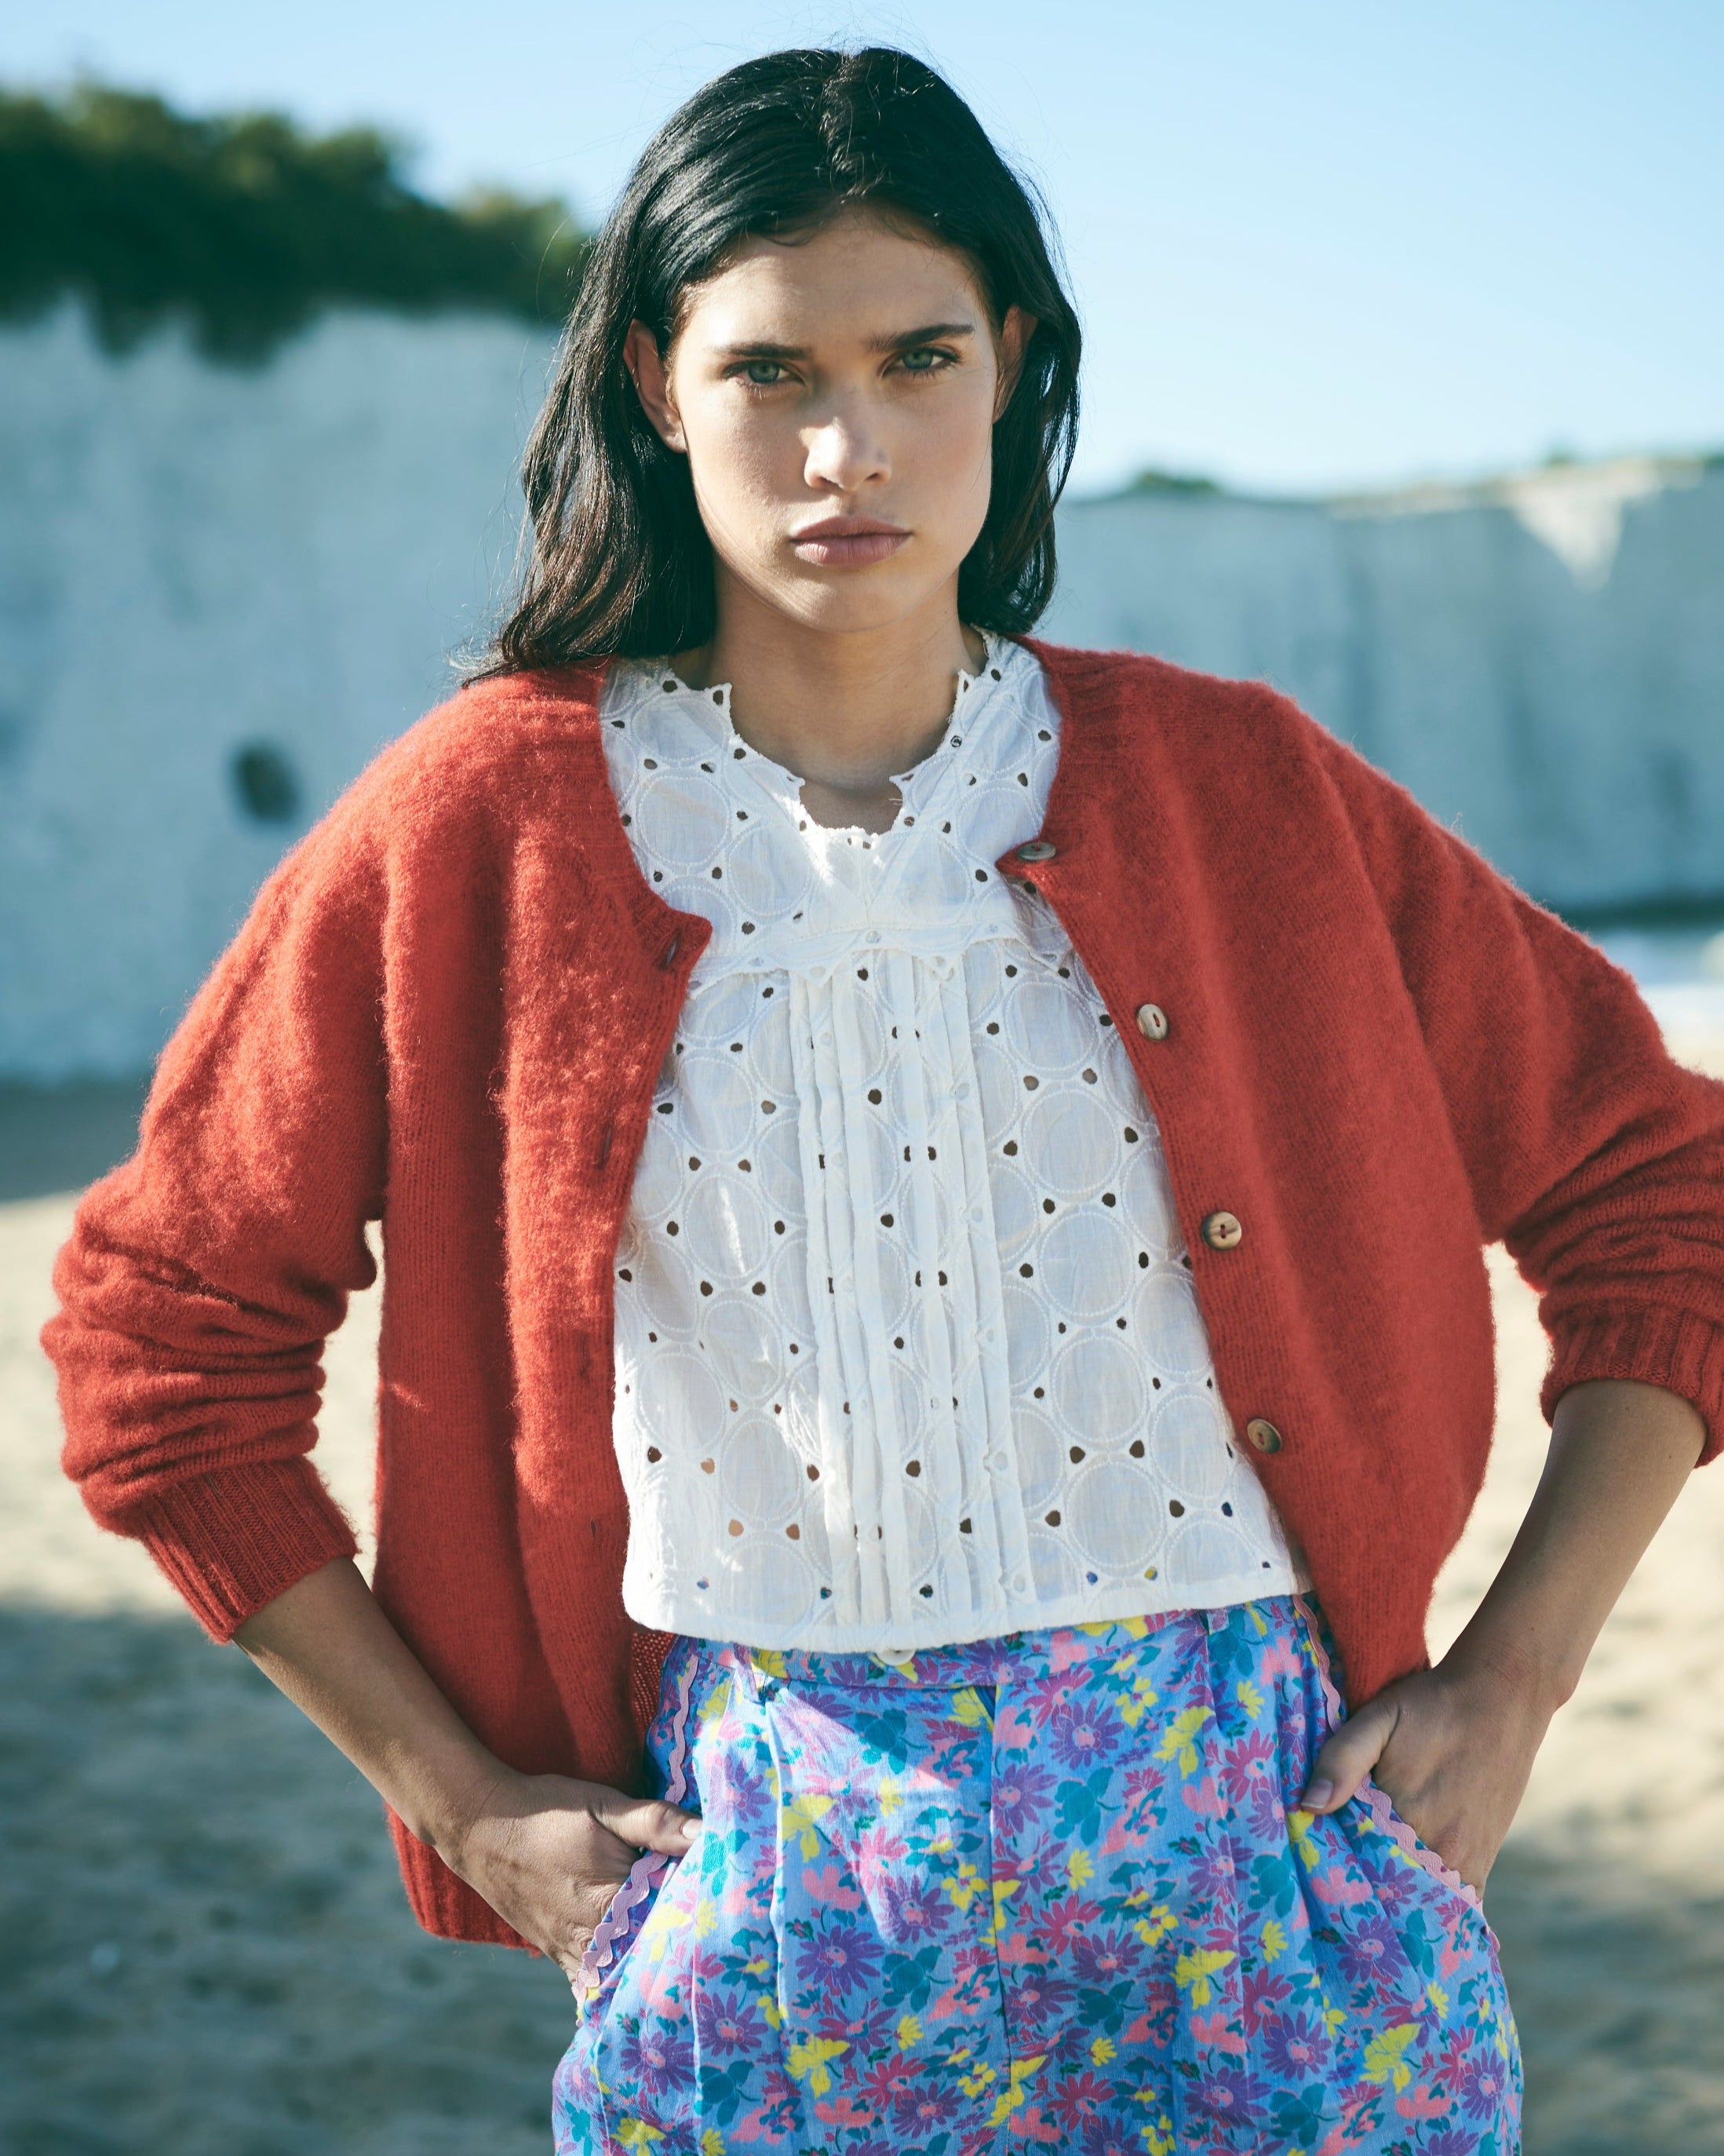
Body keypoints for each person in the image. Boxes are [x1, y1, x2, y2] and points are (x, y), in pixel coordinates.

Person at [45, 45, 1724, 2156]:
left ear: (1012, 366)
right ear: (658, 381)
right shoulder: (479, 828)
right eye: (770, 371)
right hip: (764, 1887)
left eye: (919, 353)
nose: (850, 445)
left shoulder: (1243, 792)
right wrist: (460, 1801)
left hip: (1277, 1867)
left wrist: (1519, 1677)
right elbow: (158, 1343)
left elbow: (1667, 1190)